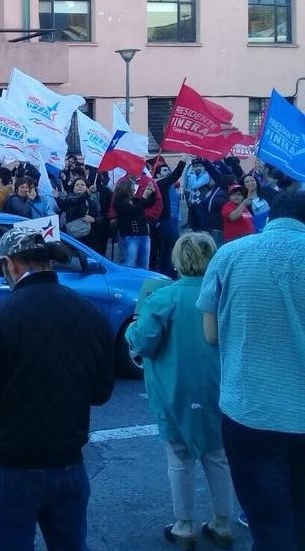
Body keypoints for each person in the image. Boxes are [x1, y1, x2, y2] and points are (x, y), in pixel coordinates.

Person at [0, 226, 116, 551]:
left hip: (14, 466)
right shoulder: (90, 312)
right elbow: (101, 392)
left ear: (11, 264)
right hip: (70, 460)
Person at [197, 190, 305, 551]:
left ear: (270, 216)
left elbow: (211, 335)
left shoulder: (229, 255)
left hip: (251, 410)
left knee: (269, 524)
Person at [125, 233, 234, 549]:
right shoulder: (224, 295)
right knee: (217, 454)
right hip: (217, 383)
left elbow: (144, 342)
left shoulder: (162, 297)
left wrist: (133, 327)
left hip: (173, 385)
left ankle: (184, 524)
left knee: (179, 454)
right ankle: (223, 522)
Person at [113, 177, 156, 269]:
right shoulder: (118, 203)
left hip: (144, 235)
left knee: (144, 263)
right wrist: (144, 198)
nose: (134, 190)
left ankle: (143, 281)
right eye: (132, 188)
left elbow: (149, 203)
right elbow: (133, 211)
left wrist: (151, 192)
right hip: (130, 236)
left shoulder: (135, 200)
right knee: (130, 263)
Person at [60, 178, 100, 245]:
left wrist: (93, 219)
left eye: (82, 185)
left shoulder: (92, 202)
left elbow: (101, 218)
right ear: (73, 188)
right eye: (77, 185)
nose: (80, 186)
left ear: (86, 187)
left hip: (88, 238)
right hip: (71, 237)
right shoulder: (69, 198)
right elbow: (77, 200)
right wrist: (87, 193)